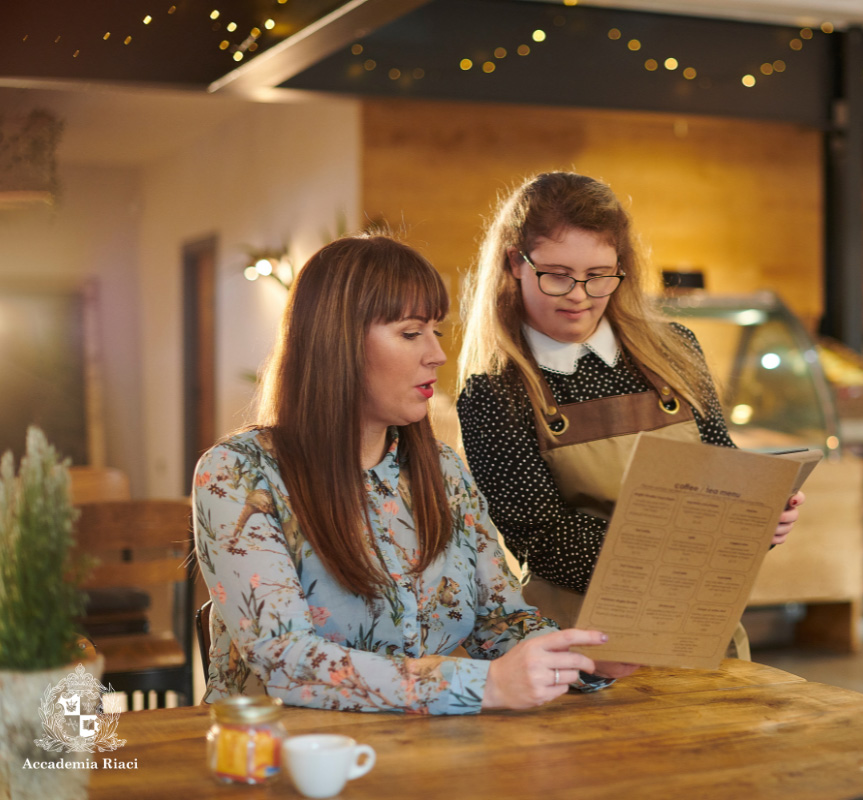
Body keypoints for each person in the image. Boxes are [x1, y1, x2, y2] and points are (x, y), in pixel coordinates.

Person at [193, 233, 630, 715]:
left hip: (421, 754)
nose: (436, 355)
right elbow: (287, 661)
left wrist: (581, 658)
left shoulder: (444, 471)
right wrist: (483, 685)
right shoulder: (238, 473)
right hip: (280, 761)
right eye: (409, 333)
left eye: (435, 332)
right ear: (334, 343)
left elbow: (499, 621)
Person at [455, 172, 804, 638]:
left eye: (598, 276)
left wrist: (759, 516)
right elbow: (545, 542)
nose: (579, 296)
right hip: (580, 649)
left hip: (699, 628)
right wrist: (697, 536)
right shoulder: (494, 394)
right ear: (515, 262)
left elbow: (721, 466)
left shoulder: (676, 349)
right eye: (557, 276)